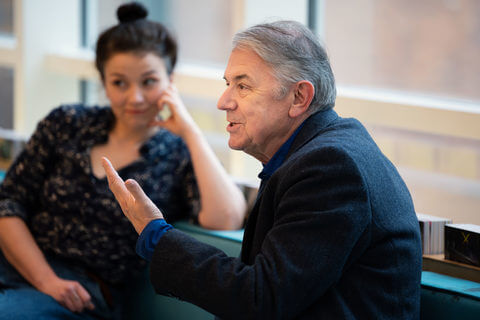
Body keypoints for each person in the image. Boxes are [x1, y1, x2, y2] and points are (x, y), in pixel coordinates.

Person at [104, 20, 423, 319]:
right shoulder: (318, 154)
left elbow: (261, 299)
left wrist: (155, 233)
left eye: (242, 87)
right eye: (228, 84)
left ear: (299, 97)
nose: (223, 101)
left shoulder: (331, 168)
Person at [0, 3, 246, 319]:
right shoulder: (67, 123)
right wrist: (45, 279)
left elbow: (226, 219)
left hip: (82, 296)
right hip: (21, 267)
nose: (136, 98)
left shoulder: (176, 155)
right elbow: (8, 204)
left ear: (170, 80)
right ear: (103, 83)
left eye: (148, 81)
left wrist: (190, 131)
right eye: (119, 83)